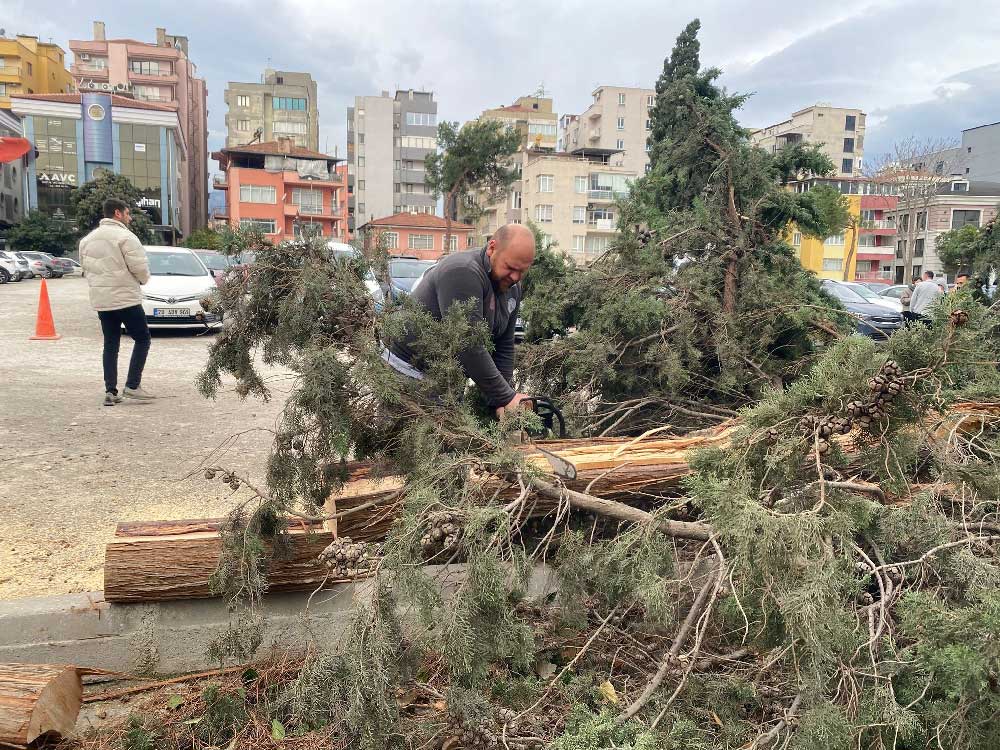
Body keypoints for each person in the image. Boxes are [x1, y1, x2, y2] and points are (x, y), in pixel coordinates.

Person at [387, 223, 535, 416]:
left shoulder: (512, 287)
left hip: (447, 376)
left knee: (451, 436)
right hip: (408, 371)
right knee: (410, 441)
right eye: (510, 267)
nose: (515, 277)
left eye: (522, 271)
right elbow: (466, 343)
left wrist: (499, 402)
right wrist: (505, 397)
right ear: (492, 248)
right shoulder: (463, 271)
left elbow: (504, 346)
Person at [79, 198, 155, 406]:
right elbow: (139, 267)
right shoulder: (126, 237)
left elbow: (84, 268)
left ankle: (110, 391)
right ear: (117, 213)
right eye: (128, 213)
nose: (130, 218)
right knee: (143, 339)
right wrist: (143, 279)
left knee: (110, 344)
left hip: (102, 301)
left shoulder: (87, 240)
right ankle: (132, 385)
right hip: (126, 298)